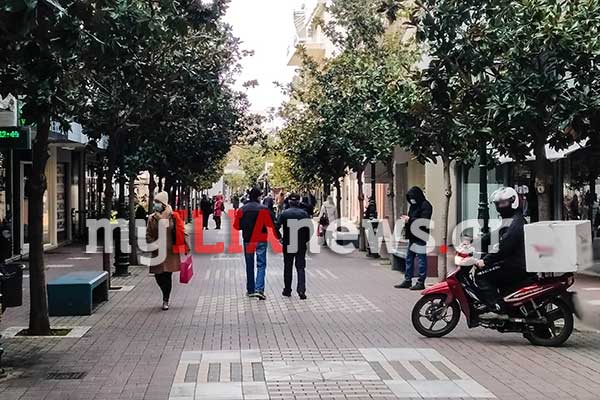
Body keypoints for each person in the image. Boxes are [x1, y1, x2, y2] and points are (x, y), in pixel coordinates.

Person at [474, 187, 532, 320]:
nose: (500, 206)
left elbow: (504, 247)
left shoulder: (516, 223)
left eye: (504, 203)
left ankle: (498, 310)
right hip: (513, 262)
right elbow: (495, 234)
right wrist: (474, 243)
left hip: (515, 264)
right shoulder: (510, 219)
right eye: (498, 204)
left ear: (513, 201)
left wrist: (485, 261)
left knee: (481, 275)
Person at [146, 191, 188, 310]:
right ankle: (164, 293)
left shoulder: (173, 216)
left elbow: (181, 231)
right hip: (157, 251)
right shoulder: (152, 218)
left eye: (158, 202)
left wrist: (186, 246)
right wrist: (152, 243)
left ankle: (166, 299)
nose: (156, 204)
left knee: (167, 276)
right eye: (155, 202)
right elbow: (148, 234)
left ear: (164, 203)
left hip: (170, 252)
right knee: (158, 276)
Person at [234, 187, 275, 300]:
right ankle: (259, 289)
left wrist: (245, 226)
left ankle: (250, 290)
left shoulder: (243, 209)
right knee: (261, 264)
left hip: (248, 240)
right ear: (258, 197)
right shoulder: (264, 209)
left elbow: (237, 226)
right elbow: (271, 224)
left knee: (249, 264)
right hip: (261, 239)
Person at [395, 186, 433, 291]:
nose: (411, 200)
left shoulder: (426, 205)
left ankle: (421, 281)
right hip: (412, 235)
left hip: (421, 235)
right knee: (409, 258)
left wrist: (410, 219)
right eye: (410, 198)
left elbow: (424, 221)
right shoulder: (413, 206)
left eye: (413, 197)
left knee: (421, 259)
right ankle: (408, 280)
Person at [277, 193, 311, 299]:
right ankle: (301, 290)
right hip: (300, 244)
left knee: (288, 267)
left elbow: (276, 227)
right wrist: (305, 240)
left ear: (289, 202)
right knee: (300, 267)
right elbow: (309, 230)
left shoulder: (284, 214)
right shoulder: (304, 214)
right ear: (298, 201)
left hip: (288, 243)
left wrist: (280, 238)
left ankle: (287, 290)